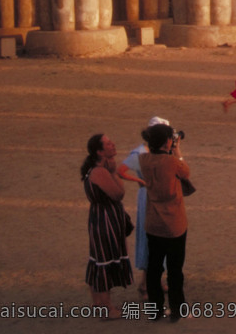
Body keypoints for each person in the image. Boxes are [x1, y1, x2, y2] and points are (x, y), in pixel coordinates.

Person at [139, 123, 191, 322]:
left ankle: (155, 310)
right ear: (167, 141)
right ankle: (177, 310)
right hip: (174, 223)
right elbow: (185, 172)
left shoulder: (143, 159)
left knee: (154, 268)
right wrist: (177, 150)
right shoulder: (171, 162)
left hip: (153, 223)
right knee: (175, 269)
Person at [81, 134, 134, 319]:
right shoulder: (100, 172)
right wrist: (112, 173)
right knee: (104, 261)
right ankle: (106, 308)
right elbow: (118, 193)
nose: (113, 145)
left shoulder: (94, 170)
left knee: (98, 260)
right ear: (100, 151)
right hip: (106, 221)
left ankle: (98, 305)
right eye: (109, 144)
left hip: (100, 219)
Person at [118, 117, 165, 293]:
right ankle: (147, 283)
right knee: (150, 237)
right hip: (149, 196)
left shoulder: (158, 151)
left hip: (156, 195)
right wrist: (139, 180)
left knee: (160, 238)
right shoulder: (140, 153)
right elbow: (120, 170)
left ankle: (154, 281)